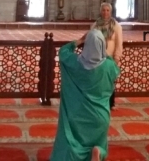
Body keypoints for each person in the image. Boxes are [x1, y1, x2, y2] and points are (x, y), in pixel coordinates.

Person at [51, 29, 120, 161]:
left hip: (76, 115)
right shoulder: (109, 66)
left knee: (72, 141)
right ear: (102, 45)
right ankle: (97, 151)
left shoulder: (74, 62)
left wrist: (80, 41)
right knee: (98, 142)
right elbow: (112, 65)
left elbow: (63, 52)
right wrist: (102, 51)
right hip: (99, 116)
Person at [91, 3, 123, 109]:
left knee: (109, 81)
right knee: (97, 81)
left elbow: (119, 43)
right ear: (100, 11)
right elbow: (91, 42)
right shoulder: (95, 26)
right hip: (97, 58)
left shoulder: (116, 26)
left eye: (108, 10)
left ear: (111, 11)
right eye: (103, 10)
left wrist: (116, 58)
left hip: (110, 58)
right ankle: (98, 102)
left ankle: (110, 103)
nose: (105, 12)